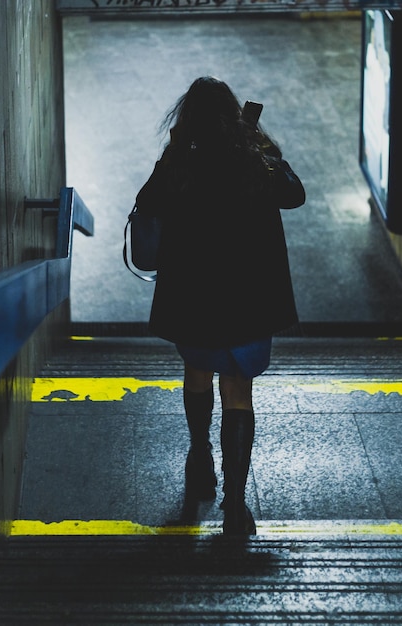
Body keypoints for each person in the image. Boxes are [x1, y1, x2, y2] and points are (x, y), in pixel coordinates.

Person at [135, 76, 305, 535]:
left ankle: (200, 457)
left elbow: (146, 203)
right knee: (238, 390)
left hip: (193, 297)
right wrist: (260, 145)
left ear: (187, 118)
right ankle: (234, 505)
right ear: (233, 115)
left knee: (196, 372)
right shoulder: (254, 159)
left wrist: (173, 153)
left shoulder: (181, 162)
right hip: (248, 297)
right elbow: (295, 194)